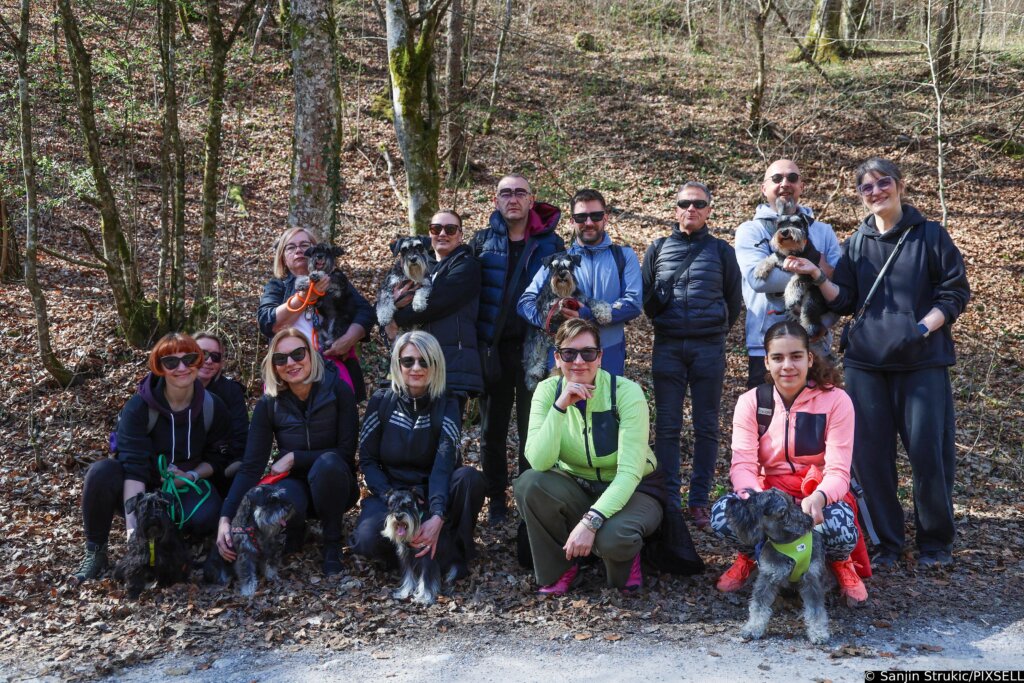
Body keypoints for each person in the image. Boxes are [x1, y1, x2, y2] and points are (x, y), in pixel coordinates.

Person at [785, 157, 970, 568]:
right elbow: (846, 298)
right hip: (867, 364)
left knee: (928, 452)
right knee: (871, 456)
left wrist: (922, 329)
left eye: (882, 183)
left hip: (922, 361)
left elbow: (955, 292)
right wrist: (817, 274)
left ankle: (935, 542)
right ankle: (888, 542)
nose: (875, 192)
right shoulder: (858, 242)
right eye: (866, 187)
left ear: (900, 185)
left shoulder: (930, 236)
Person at [711, 321, 868, 606]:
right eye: (778, 358)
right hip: (769, 496)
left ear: (809, 359)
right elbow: (743, 464)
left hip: (817, 495)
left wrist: (820, 497)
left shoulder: (836, 401)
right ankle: (749, 557)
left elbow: (838, 471)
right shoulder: (751, 402)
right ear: (767, 362)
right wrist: (753, 499)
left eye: (796, 356)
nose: (787, 366)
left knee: (841, 525)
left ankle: (840, 562)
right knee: (724, 514)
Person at [514, 318, 662, 594]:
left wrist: (590, 521)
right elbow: (539, 462)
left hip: (634, 489)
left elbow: (629, 473)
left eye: (588, 353)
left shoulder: (626, 393)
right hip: (578, 485)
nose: (579, 361)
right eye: (569, 353)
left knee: (614, 541)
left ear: (600, 356)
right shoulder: (547, 392)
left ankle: (623, 551)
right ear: (557, 358)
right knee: (529, 483)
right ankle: (562, 567)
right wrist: (560, 407)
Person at [73, 333, 230, 581]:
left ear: (198, 362)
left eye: (189, 359)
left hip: (185, 484)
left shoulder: (213, 406)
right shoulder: (138, 407)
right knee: (101, 473)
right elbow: (133, 469)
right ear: (160, 368)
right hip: (142, 486)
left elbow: (218, 458)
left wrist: (190, 475)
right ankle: (96, 551)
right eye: (171, 362)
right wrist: (134, 533)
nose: (181, 368)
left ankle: (177, 546)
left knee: (206, 515)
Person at [215, 328, 358, 575]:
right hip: (294, 485)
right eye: (280, 359)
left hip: (336, 483)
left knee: (329, 464)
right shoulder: (269, 404)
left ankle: (332, 542)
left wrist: (295, 457)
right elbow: (251, 466)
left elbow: (346, 453)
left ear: (311, 356)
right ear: (274, 366)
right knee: (280, 495)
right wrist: (225, 518)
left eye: (297, 354)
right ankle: (296, 527)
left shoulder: (339, 391)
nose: (290, 363)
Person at [642, 182, 742, 530]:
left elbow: (733, 301)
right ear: (675, 209)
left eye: (699, 203)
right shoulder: (657, 249)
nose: (691, 209)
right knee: (667, 426)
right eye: (684, 203)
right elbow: (647, 304)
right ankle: (669, 499)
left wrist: (714, 331)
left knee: (706, 426)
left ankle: (699, 501)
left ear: (709, 210)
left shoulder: (722, 251)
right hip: (667, 346)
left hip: (708, 348)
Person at [469, 174, 565, 524]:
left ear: (531, 199)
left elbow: (562, 294)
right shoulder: (481, 242)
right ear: (495, 200)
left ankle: (528, 496)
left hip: (534, 352)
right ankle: (496, 499)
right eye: (505, 193)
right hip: (492, 349)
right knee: (491, 429)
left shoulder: (551, 244)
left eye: (519, 193)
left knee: (532, 427)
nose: (512, 199)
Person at [350, 330, 485, 579]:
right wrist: (390, 495)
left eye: (425, 361)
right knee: (365, 541)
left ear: (436, 365)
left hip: (434, 489)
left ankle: (455, 549)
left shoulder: (449, 402)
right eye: (408, 361)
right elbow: (367, 460)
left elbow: (443, 464)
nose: (416, 368)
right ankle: (407, 555)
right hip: (392, 492)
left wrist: (436, 514)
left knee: (469, 478)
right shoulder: (381, 401)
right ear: (397, 363)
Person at [734, 159, 842, 388]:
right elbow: (759, 280)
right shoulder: (751, 230)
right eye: (776, 178)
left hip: (815, 343)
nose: (785, 183)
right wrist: (814, 271)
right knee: (768, 419)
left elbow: (840, 284)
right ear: (764, 188)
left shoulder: (822, 231)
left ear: (801, 186)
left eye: (792, 178)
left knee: (818, 417)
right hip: (766, 344)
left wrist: (821, 323)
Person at [518, 188, 642, 377]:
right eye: (581, 217)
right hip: (565, 358)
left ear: (606, 217)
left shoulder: (624, 256)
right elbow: (524, 302)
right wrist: (547, 319)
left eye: (596, 215)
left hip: (610, 355)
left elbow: (633, 304)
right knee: (565, 407)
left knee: (606, 407)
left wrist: (586, 313)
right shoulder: (556, 261)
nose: (589, 222)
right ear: (571, 221)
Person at [257, 226, 374, 400]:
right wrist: (305, 296)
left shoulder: (334, 280)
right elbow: (267, 322)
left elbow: (366, 311)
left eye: (304, 245)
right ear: (282, 257)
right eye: (291, 247)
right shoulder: (277, 286)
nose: (299, 250)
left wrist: (348, 339)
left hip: (331, 365)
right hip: (290, 367)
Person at [390, 210, 483, 414]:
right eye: (436, 228)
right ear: (429, 234)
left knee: (444, 437)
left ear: (460, 235)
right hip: (415, 364)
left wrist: (396, 317)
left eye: (450, 229)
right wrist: (392, 310)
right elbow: (385, 299)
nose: (442, 233)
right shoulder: (420, 267)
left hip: (452, 365)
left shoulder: (468, 267)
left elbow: (436, 303)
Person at [194, 331, 249, 498]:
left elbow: (240, 436)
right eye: (202, 354)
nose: (209, 361)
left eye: (215, 357)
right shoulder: (169, 388)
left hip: (219, 465)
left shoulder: (230, 391)